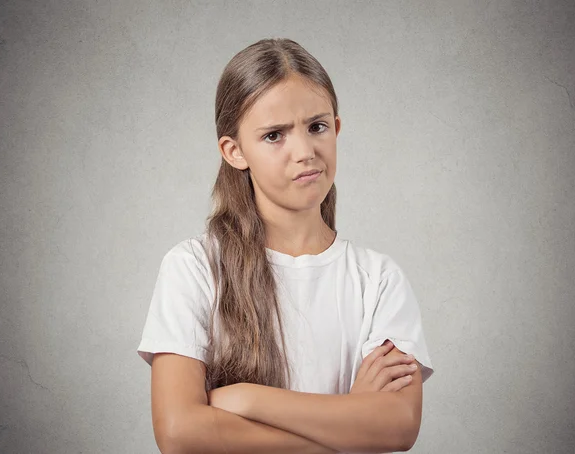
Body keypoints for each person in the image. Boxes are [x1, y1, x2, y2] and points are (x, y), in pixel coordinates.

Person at [137, 37, 434, 454]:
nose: (305, 152)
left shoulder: (378, 280)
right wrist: (348, 422)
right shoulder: (194, 268)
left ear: (337, 127)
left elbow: (398, 427)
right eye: (274, 135)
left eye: (317, 126)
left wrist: (247, 399)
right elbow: (179, 432)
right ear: (235, 151)